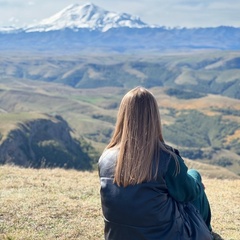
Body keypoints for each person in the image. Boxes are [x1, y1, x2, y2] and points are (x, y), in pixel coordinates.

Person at [98, 86, 213, 240]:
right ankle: (208, 233)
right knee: (194, 176)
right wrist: (197, 182)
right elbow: (189, 193)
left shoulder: (105, 157)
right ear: (154, 117)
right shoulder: (167, 159)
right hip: (166, 236)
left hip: (117, 236)